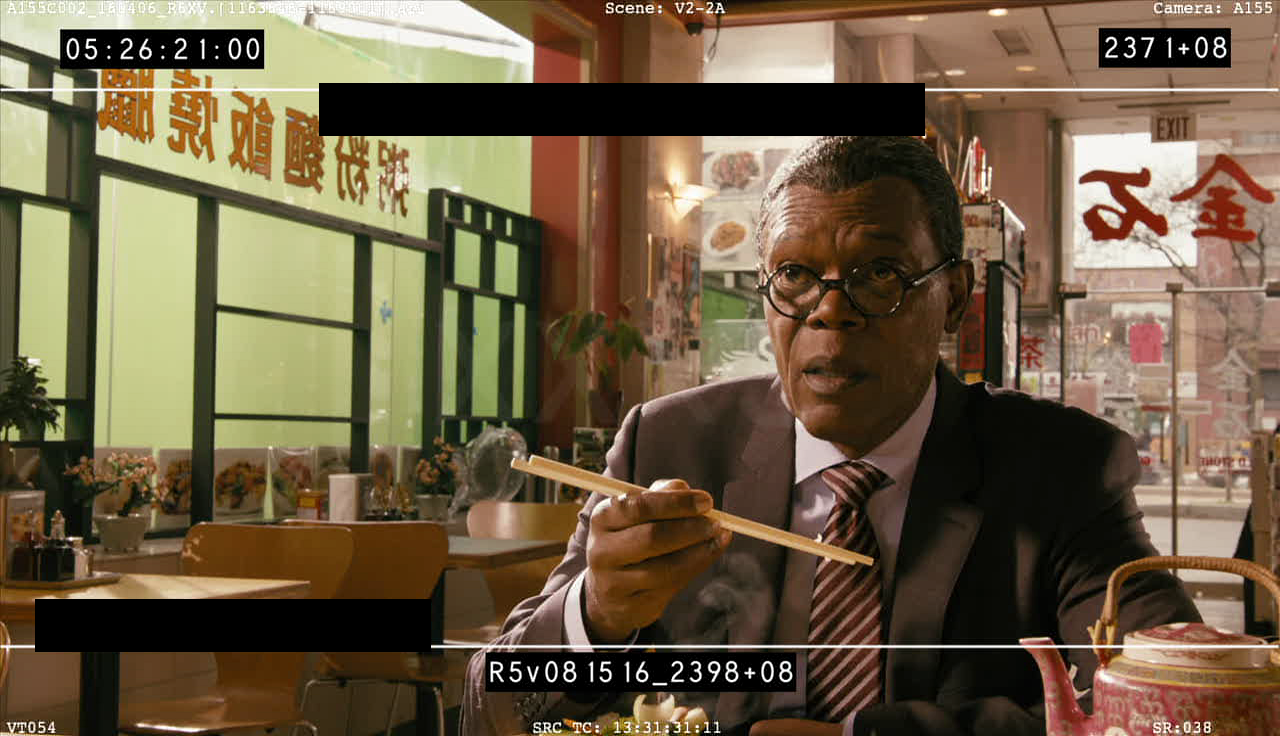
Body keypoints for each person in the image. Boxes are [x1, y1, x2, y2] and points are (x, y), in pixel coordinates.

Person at [461, 136, 1199, 736]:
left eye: (880, 274)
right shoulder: (670, 444)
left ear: (954, 298)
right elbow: (492, 702)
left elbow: (1173, 706)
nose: (829, 311)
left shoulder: (1060, 469)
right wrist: (596, 615)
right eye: (795, 275)